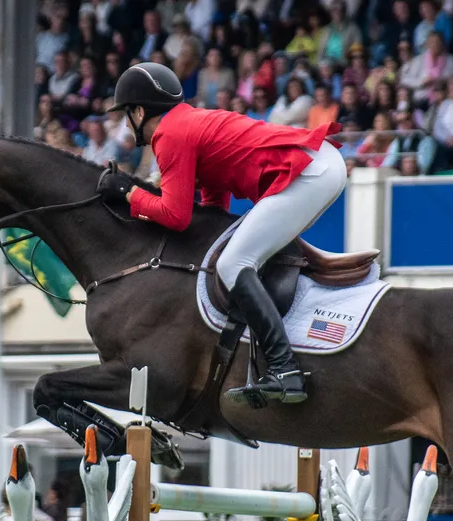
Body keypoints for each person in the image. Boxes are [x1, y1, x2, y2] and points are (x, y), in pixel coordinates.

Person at [100, 62, 346, 405]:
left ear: (140, 111)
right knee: (238, 256)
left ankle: (285, 369)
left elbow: (176, 216)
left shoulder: (168, 134)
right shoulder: (186, 122)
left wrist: (129, 194)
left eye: (128, 114)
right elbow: (214, 200)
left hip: (310, 173)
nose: (127, 123)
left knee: (233, 264)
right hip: (319, 165)